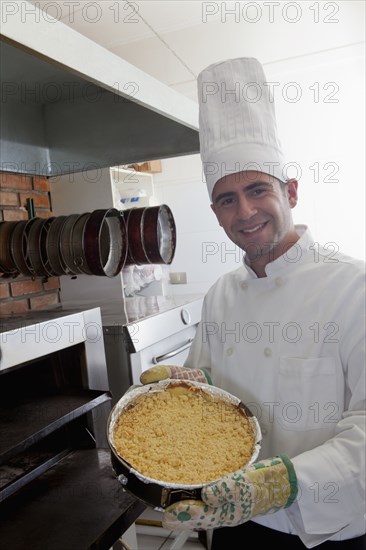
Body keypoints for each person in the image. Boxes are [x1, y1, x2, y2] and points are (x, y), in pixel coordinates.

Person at [140, 58, 366, 549]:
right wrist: (191, 386)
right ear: (216, 212)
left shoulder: (354, 287)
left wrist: (279, 484)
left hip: (325, 526)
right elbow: (209, 400)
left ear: (291, 192)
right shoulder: (220, 294)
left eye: (258, 190)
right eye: (227, 199)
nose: (245, 213)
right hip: (236, 527)